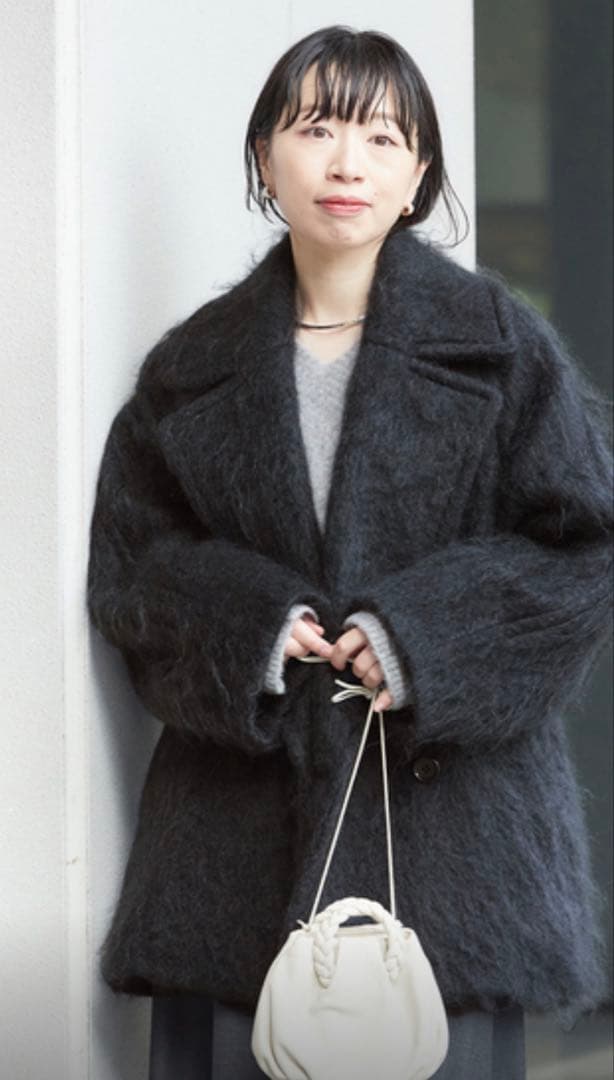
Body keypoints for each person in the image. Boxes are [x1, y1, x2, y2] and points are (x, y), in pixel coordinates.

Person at [86, 24, 613, 1080]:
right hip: (231, 856)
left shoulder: (500, 348)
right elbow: (133, 568)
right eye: (317, 128)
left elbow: (582, 549)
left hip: (454, 855)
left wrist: (421, 637)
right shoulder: (189, 369)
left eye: (382, 137)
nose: (346, 163)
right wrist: (251, 625)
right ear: (264, 157)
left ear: (416, 175)